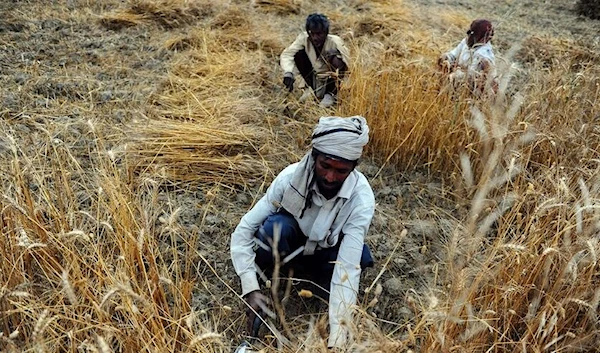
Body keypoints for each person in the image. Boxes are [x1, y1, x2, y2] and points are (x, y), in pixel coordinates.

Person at [230, 116, 375, 349]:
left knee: (359, 258)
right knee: (273, 229)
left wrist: (336, 342)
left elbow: (346, 268)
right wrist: (251, 288)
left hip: (324, 257)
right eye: (325, 166)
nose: (330, 177)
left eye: (341, 171)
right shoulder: (290, 178)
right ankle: (275, 273)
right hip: (289, 250)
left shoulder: (361, 199)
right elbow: (243, 231)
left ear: (354, 168)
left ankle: (314, 284)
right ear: (314, 157)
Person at [280, 13, 350, 108]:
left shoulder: (335, 42)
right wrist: (288, 72)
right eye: (312, 33)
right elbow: (288, 54)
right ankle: (312, 89)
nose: (315, 38)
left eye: (319, 34)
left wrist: (337, 60)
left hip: (331, 81)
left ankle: (331, 94)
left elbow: (349, 66)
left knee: (336, 58)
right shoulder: (304, 38)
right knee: (299, 54)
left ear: (325, 32)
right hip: (315, 79)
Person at [438, 19, 498, 95]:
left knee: (454, 77)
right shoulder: (467, 42)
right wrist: (446, 58)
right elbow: (454, 54)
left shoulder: (483, 55)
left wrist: (455, 69)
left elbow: (470, 78)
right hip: (459, 76)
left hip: (473, 92)